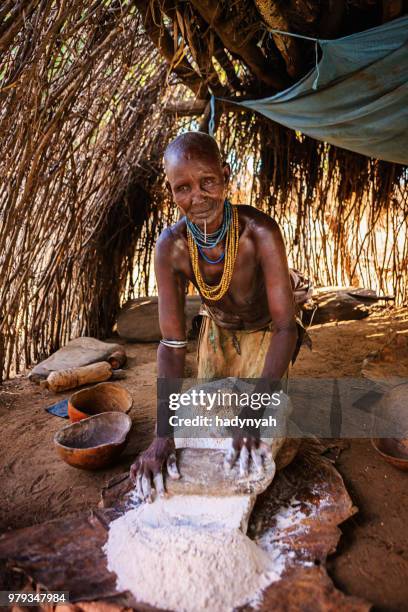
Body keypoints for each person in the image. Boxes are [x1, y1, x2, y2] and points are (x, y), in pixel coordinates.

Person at [130, 131, 305, 502]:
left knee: (263, 443)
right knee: (210, 436)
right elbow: (172, 344)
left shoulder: (260, 233)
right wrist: (163, 436)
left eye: (208, 181)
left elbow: (287, 326)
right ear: (171, 191)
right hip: (217, 334)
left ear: (226, 175)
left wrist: (256, 408)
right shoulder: (171, 247)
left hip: (268, 334)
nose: (198, 197)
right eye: (183, 187)